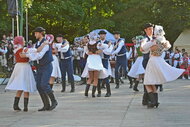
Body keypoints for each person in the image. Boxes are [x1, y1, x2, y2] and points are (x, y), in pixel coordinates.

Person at [142, 25, 185, 108]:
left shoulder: (154, 41)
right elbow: (167, 47)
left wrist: (144, 42)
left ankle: (154, 101)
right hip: (159, 60)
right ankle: (155, 101)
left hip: (153, 61)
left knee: (147, 82)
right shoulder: (165, 41)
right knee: (152, 82)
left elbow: (144, 48)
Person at [23, 27, 58, 111]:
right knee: (39, 85)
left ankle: (54, 101)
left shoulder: (45, 43)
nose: (35, 34)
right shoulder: (37, 43)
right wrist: (28, 53)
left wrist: (27, 55)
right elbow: (35, 52)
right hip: (40, 67)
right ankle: (46, 105)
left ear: (40, 33)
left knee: (44, 84)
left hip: (46, 66)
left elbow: (39, 55)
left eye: (36, 33)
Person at [5, 36, 37, 112]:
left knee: (21, 86)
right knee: (26, 86)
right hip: (25, 66)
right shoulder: (24, 49)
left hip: (18, 66)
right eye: (23, 40)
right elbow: (34, 51)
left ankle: (15, 105)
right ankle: (25, 107)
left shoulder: (16, 50)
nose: (25, 41)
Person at [82, 32, 108, 97]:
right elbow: (105, 47)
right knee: (96, 78)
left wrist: (89, 52)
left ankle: (86, 92)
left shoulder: (87, 44)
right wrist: (100, 50)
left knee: (90, 78)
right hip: (96, 59)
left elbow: (85, 53)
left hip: (90, 59)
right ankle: (93, 93)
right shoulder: (98, 44)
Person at [97, 30, 113, 97]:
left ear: (105, 35)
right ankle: (99, 92)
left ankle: (108, 92)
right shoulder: (97, 42)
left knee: (105, 76)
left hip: (105, 60)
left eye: (103, 34)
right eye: (100, 34)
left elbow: (109, 52)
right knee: (98, 76)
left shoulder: (108, 43)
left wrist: (102, 49)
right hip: (98, 60)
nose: (102, 35)